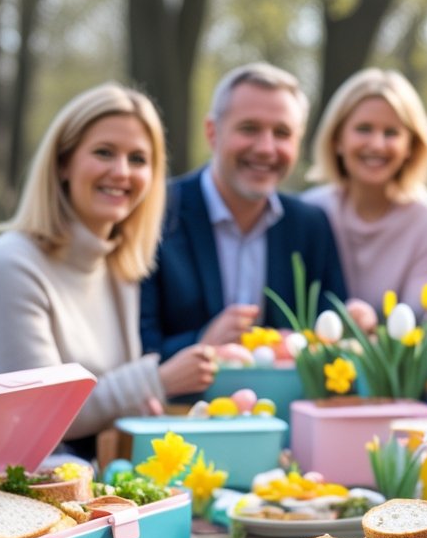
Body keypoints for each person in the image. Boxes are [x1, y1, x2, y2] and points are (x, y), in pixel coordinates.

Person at [0, 83, 216, 460]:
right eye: (104, 152)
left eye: (138, 159)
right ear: (63, 163)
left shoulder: (117, 263)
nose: (121, 172)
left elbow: (108, 402)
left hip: (79, 470)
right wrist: (156, 380)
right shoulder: (10, 264)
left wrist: (142, 396)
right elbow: (48, 418)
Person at [140, 63, 346, 361]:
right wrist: (202, 343)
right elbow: (136, 343)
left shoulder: (310, 225)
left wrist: (303, 344)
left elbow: (331, 332)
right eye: (249, 128)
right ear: (212, 132)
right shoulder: (157, 212)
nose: (266, 148)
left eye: (282, 133)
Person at [303, 68, 427, 315]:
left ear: (411, 146)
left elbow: (421, 325)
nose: (376, 145)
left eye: (391, 133)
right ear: (337, 139)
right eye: (363, 129)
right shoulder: (310, 212)